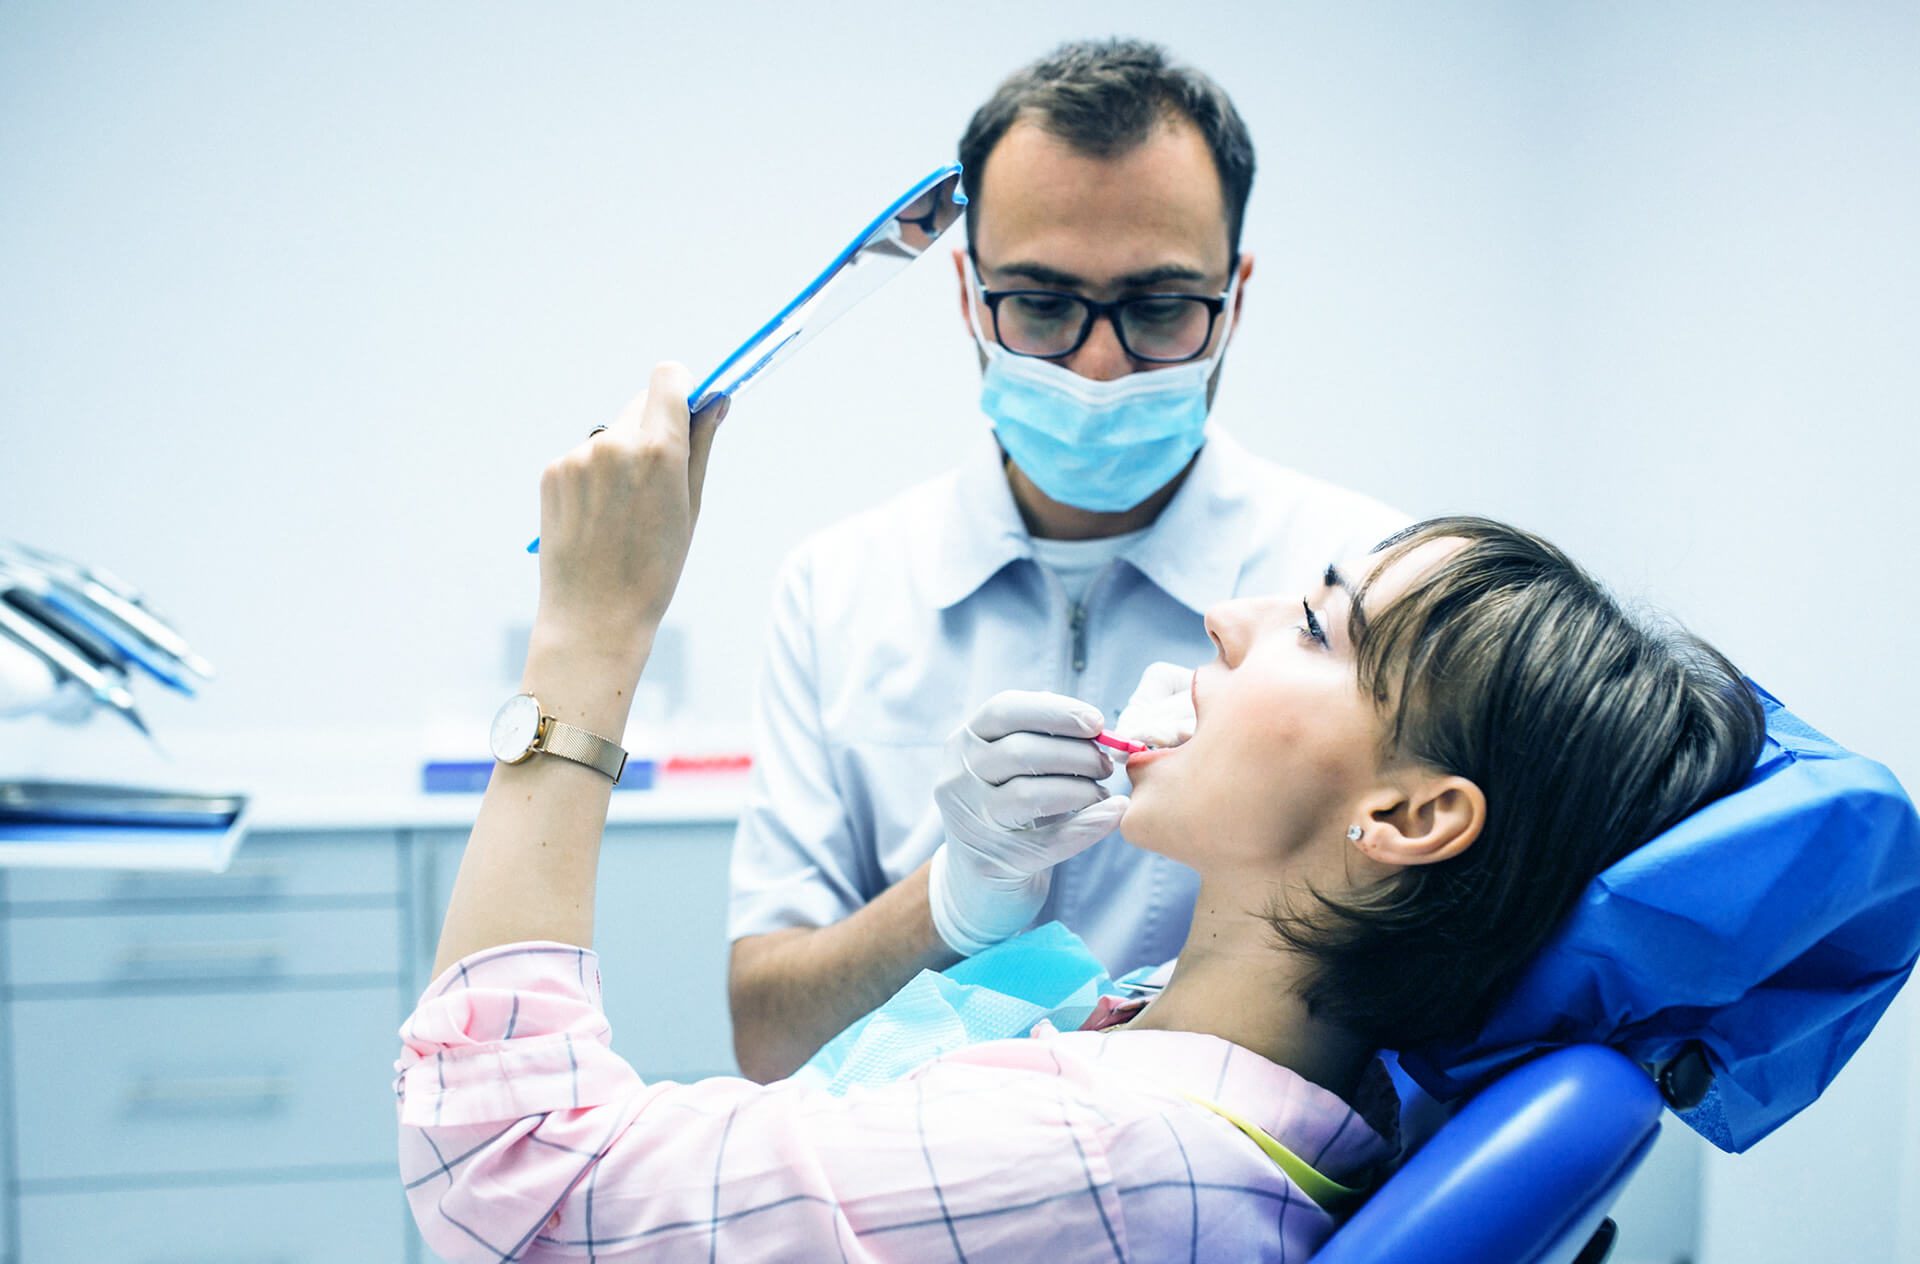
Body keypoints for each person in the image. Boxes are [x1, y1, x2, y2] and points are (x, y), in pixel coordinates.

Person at [400, 368, 1764, 1261]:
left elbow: (513, 1179)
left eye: (1311, 623)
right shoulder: (1254, 1074)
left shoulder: (1096, 1163)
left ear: (1409, 818)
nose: (1230, 623)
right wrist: (956, 904)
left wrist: (587, 636)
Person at [728, 38, 1407, 1084]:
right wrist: (954, 894)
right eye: (1041, 304)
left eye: (1159, 308)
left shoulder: (1362, 583)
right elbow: (768, 1040)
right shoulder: (839, 589)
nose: (1097, 366)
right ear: (968, 294)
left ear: (1235, 299)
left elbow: (1424, 1005)